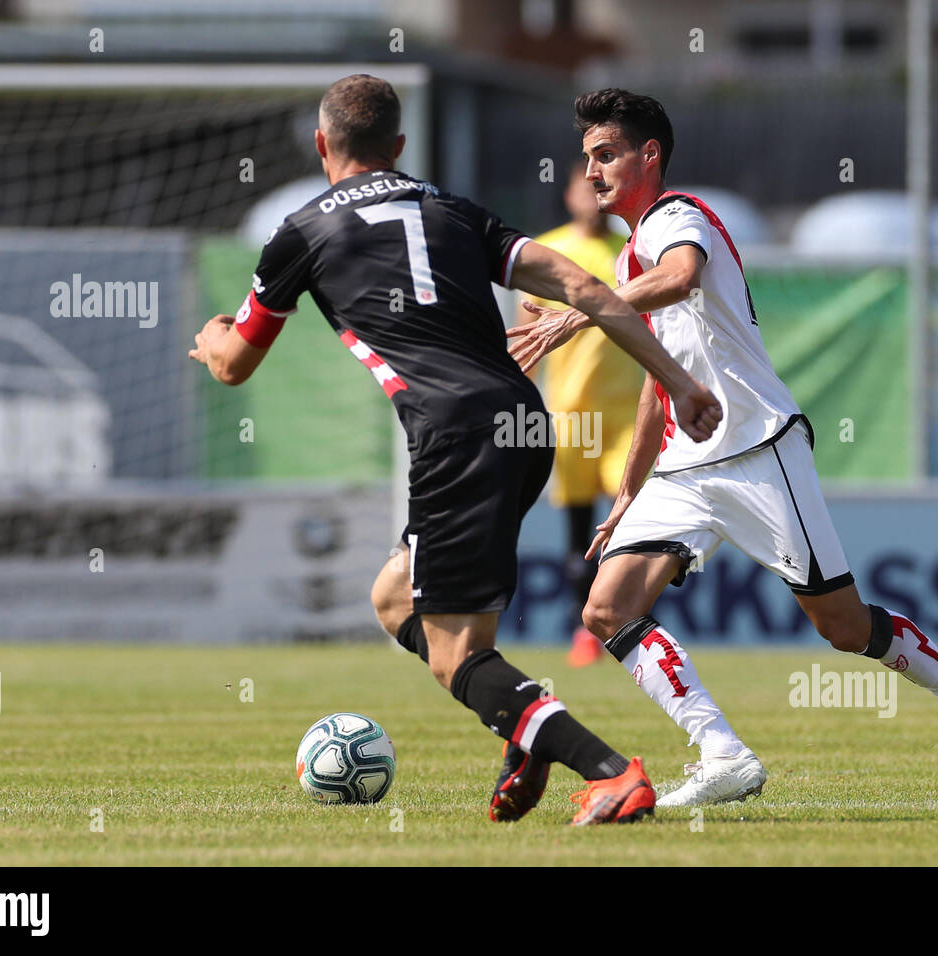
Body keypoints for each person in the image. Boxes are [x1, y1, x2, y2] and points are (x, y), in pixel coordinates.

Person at [188, 75, 723, 824]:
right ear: (399, 149)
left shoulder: (301, 230)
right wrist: (681, 384)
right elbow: (589, 290)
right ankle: (525, 733)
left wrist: (210, 336)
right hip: (523, 426)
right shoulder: (454, 210)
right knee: (394, 598)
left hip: (455, 435)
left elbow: (235, 363)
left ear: (321, 145)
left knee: (455, 657)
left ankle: (609, 771)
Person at [509, 88, 938, 807]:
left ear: (648, 155)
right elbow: (662, 381)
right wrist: (627, 494)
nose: (592, 172)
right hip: (686, 466)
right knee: (605, 608)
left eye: (606, 154)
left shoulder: (679, 218)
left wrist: (577, 313)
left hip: (757, 449)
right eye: (588, 158)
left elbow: (681, 276)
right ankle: (722, 754)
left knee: (842, 627)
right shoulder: (626, 266)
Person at [517, 160, 639, 668]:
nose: (593, 192)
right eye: (583, 185)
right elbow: (529, 336)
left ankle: (626, 621)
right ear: (568, 195)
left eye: (600, 183)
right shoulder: (548, 252)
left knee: (632, 521)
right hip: (570, 415)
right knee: (578, 531)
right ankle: (582, 628)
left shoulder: (635, 249)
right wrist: (520, 408)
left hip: (629, 414)